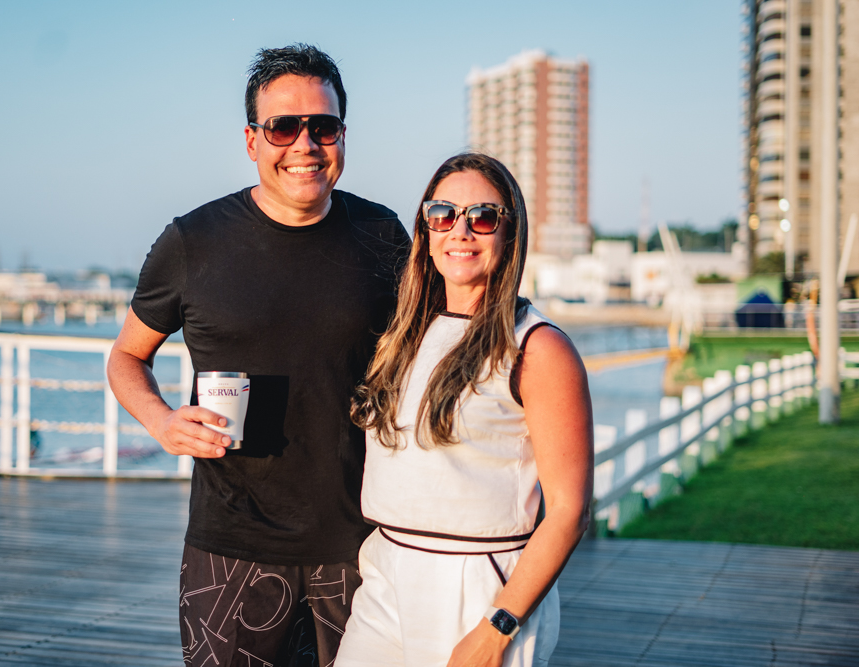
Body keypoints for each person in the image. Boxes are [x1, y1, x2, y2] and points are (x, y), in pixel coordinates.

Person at [107, 44, 409, 667]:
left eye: (323, 126)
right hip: (231, 548)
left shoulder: (383, 235)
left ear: (342, 136)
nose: (305, 144)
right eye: (283, 127)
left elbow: (428, 354)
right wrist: (162, 421)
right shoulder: (192, 241)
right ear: (252, 140)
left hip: (363, 543)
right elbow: (127, 357)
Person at [338, 153, 594, 667]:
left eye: (483, 217)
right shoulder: (404, 335)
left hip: (477, 587)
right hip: (387, 569)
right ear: (425, 228)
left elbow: (569, 511)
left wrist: (498, 627)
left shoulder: (537, 348)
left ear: (510, 232)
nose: (461, 231)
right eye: (443, 214)